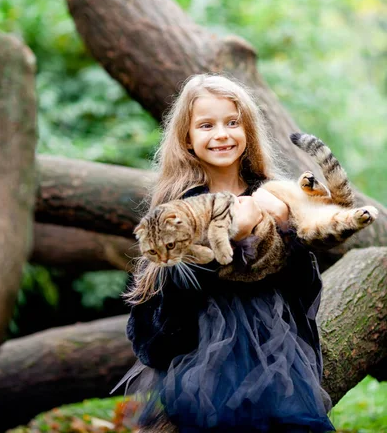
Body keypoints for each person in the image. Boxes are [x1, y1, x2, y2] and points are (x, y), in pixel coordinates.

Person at [122, 74, 334, 433]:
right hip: (207, 356)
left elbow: (304, 285)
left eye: (232, 122)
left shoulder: (273, 195)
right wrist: (234, 234)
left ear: (247, 132)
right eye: (206, 125)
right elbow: (177, 289)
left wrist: (283, 225)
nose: (221, 134)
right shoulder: (181, 207)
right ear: (187, 140)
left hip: (279, 351)